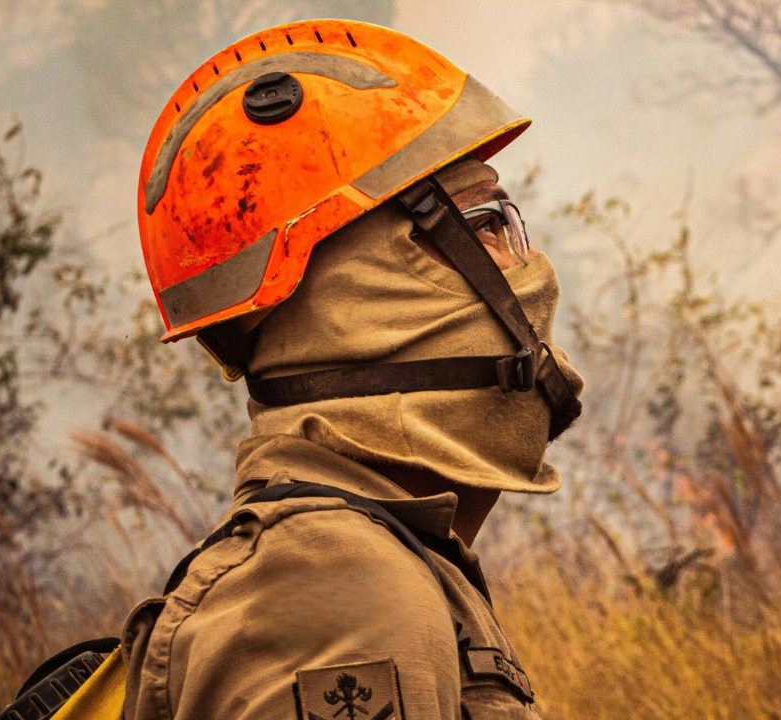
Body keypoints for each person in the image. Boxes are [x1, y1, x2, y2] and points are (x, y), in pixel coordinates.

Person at [123, 19, 583, 720]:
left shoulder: (383, 557)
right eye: (488, 223)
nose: (527, 263)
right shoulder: (333, 593)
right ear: (360, 289)